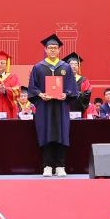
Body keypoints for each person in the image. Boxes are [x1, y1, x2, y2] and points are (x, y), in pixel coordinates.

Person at [27, 34, 79, 176]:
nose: (52, 50)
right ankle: (47, 166)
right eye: (50, 48)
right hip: (45, 107)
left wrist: (66, 94)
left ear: (59, 50)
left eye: (55, 48)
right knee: (45, 133)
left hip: (61, 106)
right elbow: (32, 87)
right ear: (45, 49)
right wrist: (40, 94)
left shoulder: (66, 67)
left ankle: (60, 165)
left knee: (62, 133)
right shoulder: (38, 67)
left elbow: (72, 87)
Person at [66, 53, 94, 119]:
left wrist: (76, 94)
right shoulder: (63, 79)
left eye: (76, 64)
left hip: (79, 109)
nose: (74, 66)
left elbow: (87, 93)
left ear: (78, 67)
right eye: (71, 64)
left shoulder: (84, 80)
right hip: (66, 108)